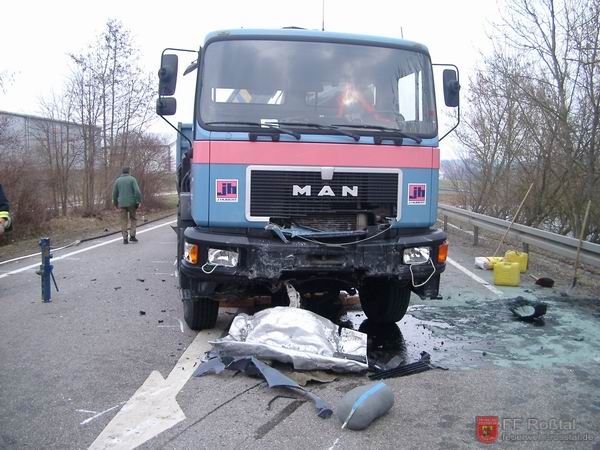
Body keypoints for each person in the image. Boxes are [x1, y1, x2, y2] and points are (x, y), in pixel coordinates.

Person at [112, 167, 142, 244]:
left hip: (122, 203)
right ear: (129, 172)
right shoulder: (132, 179)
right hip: (132, 203)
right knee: (133, 219)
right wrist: (138, 201)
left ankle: (125, 238)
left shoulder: (117, 180)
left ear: (122, 172)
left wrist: (115, 204)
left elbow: (114, 194)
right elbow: (137, 191)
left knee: (123, 220)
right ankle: (132, 236)